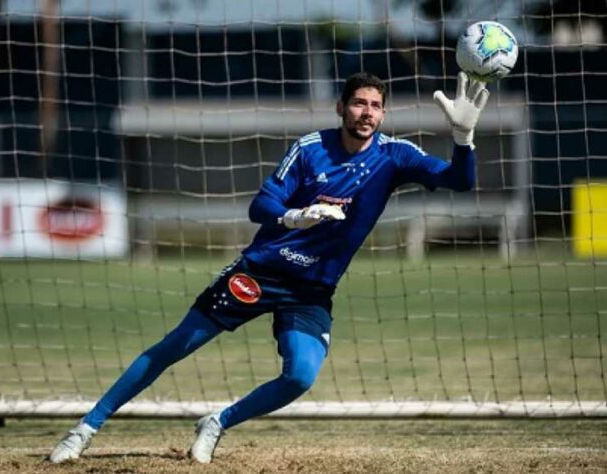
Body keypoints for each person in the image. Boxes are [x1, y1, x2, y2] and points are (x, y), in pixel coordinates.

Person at [49, 71, 489, 464]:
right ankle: (84, 430)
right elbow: (260, 205)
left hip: (311, 289)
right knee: (174, 346)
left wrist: (464, 138)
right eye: (358, 102)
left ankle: (217, 422)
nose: (366, 112)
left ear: (383, 112)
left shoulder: (395, 156)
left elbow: (461, 182)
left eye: (375, 105)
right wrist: (294, 216)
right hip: (261, 273)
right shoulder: (310, 148)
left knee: (299, 375)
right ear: (341, 107)